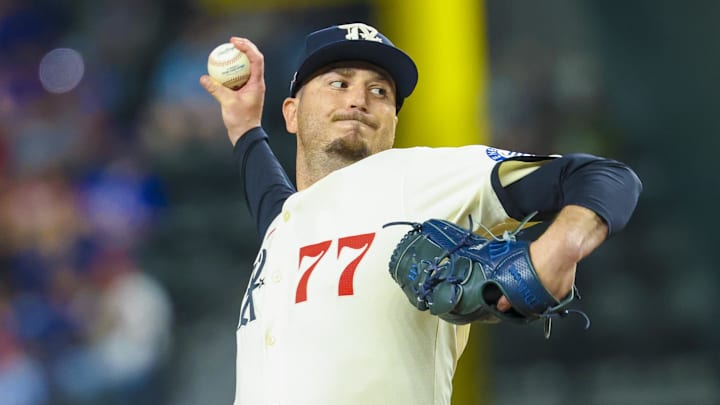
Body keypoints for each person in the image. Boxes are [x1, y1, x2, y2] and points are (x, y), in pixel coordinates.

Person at [200, 22, 642, 405]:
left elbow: (603, 176)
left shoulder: (420, 176)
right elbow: (274, 205)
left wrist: (558, 248)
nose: (359, 99)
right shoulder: (286, 228)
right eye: (339, 82)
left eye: (379, 91)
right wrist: (244, 128)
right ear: (292, 114)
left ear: (393, 121)